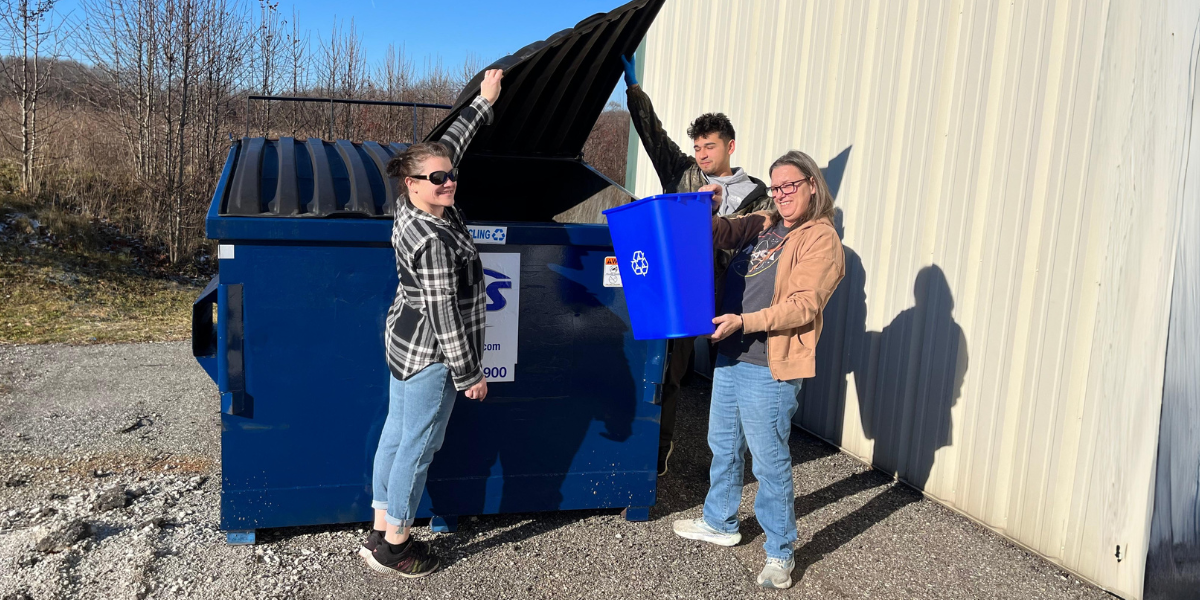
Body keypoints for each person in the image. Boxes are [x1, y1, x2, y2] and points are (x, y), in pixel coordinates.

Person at [672, 151, 845, 590]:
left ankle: (780, 551)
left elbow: (804, 305)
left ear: (812, 185)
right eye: (777, 187)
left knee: (769, 462)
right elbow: (714, 233)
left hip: (769, 362)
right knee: (724, 445)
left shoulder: (820, 238)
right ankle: (720, 522)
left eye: (791, 185)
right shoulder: (765, 224)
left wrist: (745, 322)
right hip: (731, 351)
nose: (783, 194)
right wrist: (704, 206)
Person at [362, 69, 504, 578]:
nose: (448, 183)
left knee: (397, 436)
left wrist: (483, 104)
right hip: (431, 355)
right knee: (419, 445)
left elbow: (448, 149)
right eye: (437, 179)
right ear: (412, 183)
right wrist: (469, 375)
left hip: (404, 345)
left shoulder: (412, 203)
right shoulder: (434, 239)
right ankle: (395, 545)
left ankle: (381, 524)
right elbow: (446, 316)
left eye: (450, 176)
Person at [620, 54, 773, 476]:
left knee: (734, 380)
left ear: (731, 146)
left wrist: (716, 217)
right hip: (683, 293)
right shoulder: (684, 174)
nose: (703, 153)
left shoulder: (760, 196)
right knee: (669, 371)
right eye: (698, 146)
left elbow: (758, 243)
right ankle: (658, 453)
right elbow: (653, 135)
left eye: (711, 146)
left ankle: (737, 466)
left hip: (730, 298)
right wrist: (634, 90)